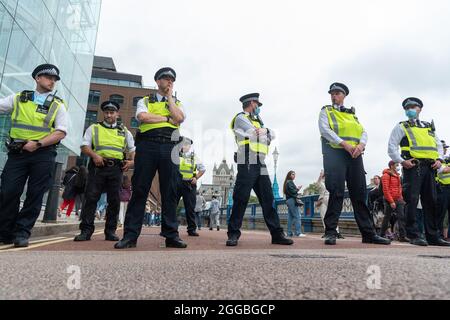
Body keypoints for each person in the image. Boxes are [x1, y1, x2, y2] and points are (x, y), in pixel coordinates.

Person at [115, 67, 187, 249]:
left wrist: (170, 99)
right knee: (140, 189)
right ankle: (130, 236)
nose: (169, 81)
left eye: (172, 79)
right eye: (165, 78)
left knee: (169, 191)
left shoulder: (177, 102)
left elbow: (179, 118)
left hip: (170, 147)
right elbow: (142, 117)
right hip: (147, 146)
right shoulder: (145, 100)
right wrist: (166, 118)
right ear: (157, 81)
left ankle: (171, 235)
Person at [0, 64, 68, 248]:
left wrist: (37, 144)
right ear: (37, 78)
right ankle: (5, 232)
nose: (52, 81)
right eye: (48, 77)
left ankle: (22, 233)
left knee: (35, 194)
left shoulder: (57, 104)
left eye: (54, 79)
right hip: (18, 153)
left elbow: (61, 132)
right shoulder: (18, 98)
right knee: (8, 191)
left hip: (43, 154)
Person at [319, 83, 390, 246]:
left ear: (344, 96)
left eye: (337, 93)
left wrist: (361, 146)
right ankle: (330, 232)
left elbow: (363, 132)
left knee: (359, 194)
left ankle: (368, 233)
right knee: (336, 193)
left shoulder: (352, 115)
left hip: (355, 155)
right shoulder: (326, 111)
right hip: (335, 154)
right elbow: (325, 130)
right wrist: (345, 144)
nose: (334, 96)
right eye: (332, 93)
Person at [227, 93, 293, 247]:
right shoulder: (241, 118)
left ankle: (277, 234)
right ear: (251, 103)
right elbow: (255, 133)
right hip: (247, 159)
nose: (259, 108)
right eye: (258, 105)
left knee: (268, 199)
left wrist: (266, 132)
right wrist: (264, 133)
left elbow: (271, 136)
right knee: (241, 197)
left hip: (260, 162)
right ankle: (233, 234)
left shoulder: (259, 122)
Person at [388, 97, 450, 246]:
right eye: (407, 107)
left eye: (413, 106)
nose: (410, 109)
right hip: (413, 166)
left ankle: (433, 235)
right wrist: (402, 161)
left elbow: (439, 146)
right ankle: (414, 234)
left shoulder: (429, 127)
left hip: (430, 168)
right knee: (412, 200)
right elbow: (392, 146)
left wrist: (439, 160)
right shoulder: (401, 126)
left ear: (420, 109)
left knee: (431, 202)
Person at [74, 100, 135, 242]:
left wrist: (132, 161)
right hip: (98, 167)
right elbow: (84, 146)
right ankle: (86, 231)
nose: (109, 115)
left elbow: (133, 150)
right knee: (91, 199)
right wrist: (94, 155)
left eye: (112, 112)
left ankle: (110, 232)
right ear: (103, 113)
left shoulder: (124, 131)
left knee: (114, 201)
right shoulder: (94, 128)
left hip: (116, 169)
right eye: (106, 112)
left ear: (117, 114)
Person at [174, 137, 206, 237]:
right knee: (172, 206)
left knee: (190, 207)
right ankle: (170, 228)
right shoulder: (175, 156)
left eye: (187, 145)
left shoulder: (194, 157)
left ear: (189, 146)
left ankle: (191, 229)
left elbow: (203, 169)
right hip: (177, 183)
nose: (185, 146)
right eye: (183, 144)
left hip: (189, 184)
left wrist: (196, 177)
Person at [381, 161, 407, 242]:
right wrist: (391, 201)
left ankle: (402, 236)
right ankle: (381, 235)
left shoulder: (397, 175)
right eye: (397, 165)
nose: (398, 166)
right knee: (387, 217)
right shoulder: (385, 175)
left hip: (398, 199)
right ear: (392, 166)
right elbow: (385, 189)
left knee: (401, 217)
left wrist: (401, 198)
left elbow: (399, 187)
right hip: (389, 200)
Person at [283, 171, 306, 238]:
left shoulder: (286, 182)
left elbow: (290, 191)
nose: (294, 176)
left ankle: (289, 233)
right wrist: (298, 189)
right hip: (292, 200)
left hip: (288, 200)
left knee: (290, 217)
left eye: (294, 175)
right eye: (292, 174)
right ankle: (298, 233)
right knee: (297, 216)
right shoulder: (290, 182)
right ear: (289, 175)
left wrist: (296, 190)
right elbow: (293, 191)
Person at [436, 141, 450, 240]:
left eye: (445, 147)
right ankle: (439, 235)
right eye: (444, 147)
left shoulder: (447, 160)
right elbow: (443, 170)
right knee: (441, 214)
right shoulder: (437, 161)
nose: (445, 149)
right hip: (442, 189)